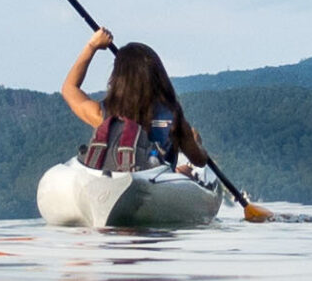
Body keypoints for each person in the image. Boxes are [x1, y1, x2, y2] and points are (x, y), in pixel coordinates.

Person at [59, 30, 214, 174]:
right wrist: (196, 143)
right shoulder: (173, 118)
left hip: (114, 185)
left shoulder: (103, 115)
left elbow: (69, 88)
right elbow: (199, 160)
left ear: (118, 78)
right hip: (155, 189)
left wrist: (91, 46)